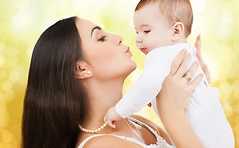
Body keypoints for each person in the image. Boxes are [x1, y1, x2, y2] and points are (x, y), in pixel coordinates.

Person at [21, 16, 207, 148]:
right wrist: (172, 114)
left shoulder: (140, 123)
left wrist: (197, 93)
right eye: (101, 38)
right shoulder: (101, 145)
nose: (118, 38)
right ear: (80, 69)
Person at [104, 0, 235, 148]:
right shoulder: (186, 52)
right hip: (220, 135)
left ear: (176, 31)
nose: (138, 39)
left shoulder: (160, 53)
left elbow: (147, 84)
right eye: (137, 32)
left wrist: (119, 111)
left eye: (146, 31)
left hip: (200, 137)